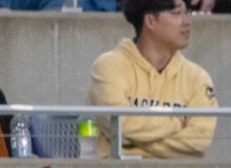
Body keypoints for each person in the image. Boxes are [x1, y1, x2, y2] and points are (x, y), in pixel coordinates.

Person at [86, 0, 218, 159]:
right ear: (150, 21)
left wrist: (133, 149)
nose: (187, 21)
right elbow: (120, 127)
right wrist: (176, 123)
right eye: (176, 13)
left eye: (187, 12)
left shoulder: (198, 78)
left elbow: (199, 141)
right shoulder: (109, 66)